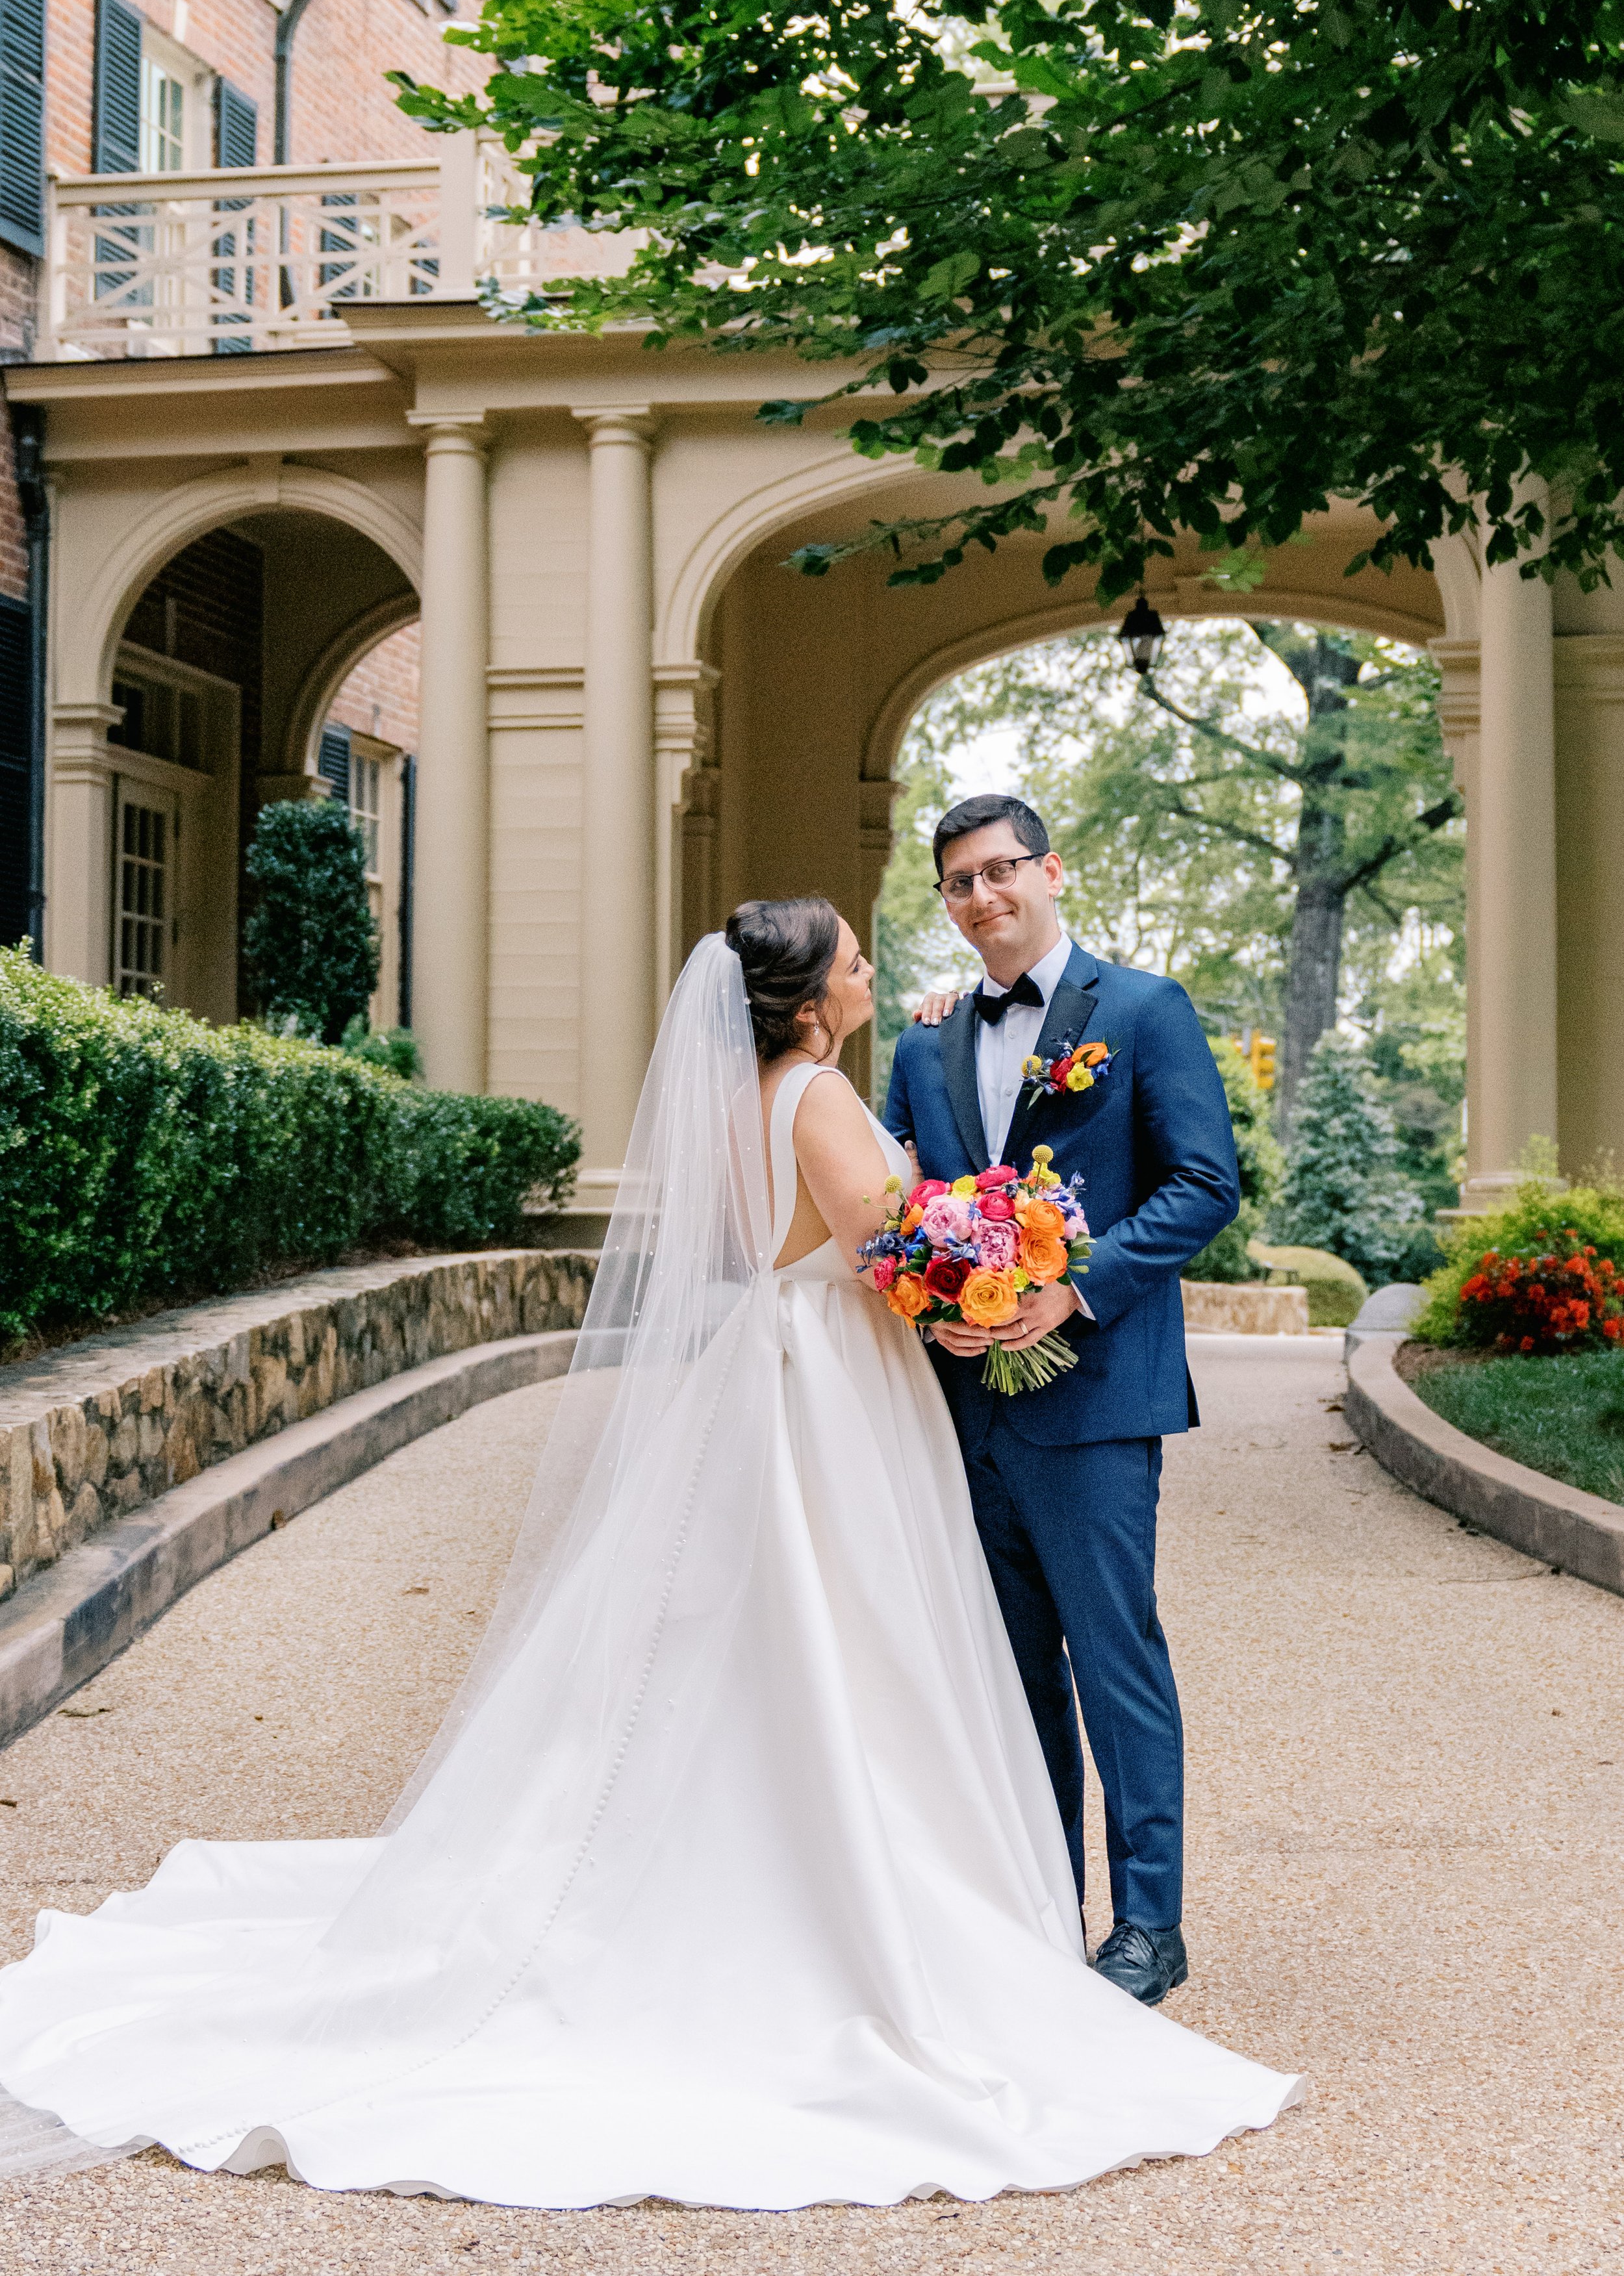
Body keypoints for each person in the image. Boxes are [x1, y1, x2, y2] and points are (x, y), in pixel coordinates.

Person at [0, 902, 1297, 2208]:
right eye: (852, 957)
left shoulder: (738, 1098)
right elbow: (894, 1258)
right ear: (805, 1002)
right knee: (843, 1631)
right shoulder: (822, 1100)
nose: (873, 968)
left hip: (759, 1372)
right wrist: (984, 1276)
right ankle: (851, 1895)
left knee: (738, 1638)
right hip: (831, 1391)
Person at [886, 795, 1239, 2008]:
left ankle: (1149, 1927)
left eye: (1000, 873)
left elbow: (1203, 1184)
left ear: (1049, 871)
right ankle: (1042, 1907)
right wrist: (925, 1296)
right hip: (963, 1405)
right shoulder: (922, 1044)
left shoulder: (1142, 1012)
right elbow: (901, 1207)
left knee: (1114, 1656)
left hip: (1094, 1398)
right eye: (958, 884)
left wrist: (1071, 1290)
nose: (982, 899)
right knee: (1010, 1670)